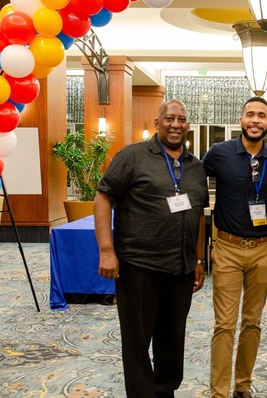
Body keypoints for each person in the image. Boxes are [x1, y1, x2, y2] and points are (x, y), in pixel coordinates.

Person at [94, 99, 209, 398]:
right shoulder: (132, 156)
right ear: (157, 122)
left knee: (172, 340)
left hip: (181, 269)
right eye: (169, 118)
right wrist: (107, 250)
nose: (175, 124)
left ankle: (164, 390)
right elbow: (103, 198)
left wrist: (198, 259)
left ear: (188, 125)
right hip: (138, 267)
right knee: (137, 341)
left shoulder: (196, 167)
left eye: (182, 119)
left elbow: (198, 216)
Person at [202, 97, 267, 398]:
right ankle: (219, 393)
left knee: (252, 322)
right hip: (227, 248)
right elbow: (194, 182)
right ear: (241, 119)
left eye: (261, 115)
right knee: (224, 324)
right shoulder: (218, 154)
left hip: (265, 249)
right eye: (250, 114)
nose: (255, 120)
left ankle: (243, 385)